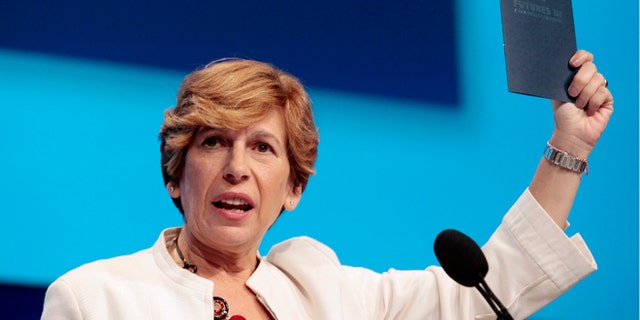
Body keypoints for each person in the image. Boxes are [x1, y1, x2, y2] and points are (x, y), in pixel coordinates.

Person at [41, 50, 613, 319]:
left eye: (262, 147)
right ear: (176, 174)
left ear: (293, 189)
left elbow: (479, 294)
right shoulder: (94, 299)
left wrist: (571, 147)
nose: (236, 166)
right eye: (214, 141)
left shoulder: (324, 293)